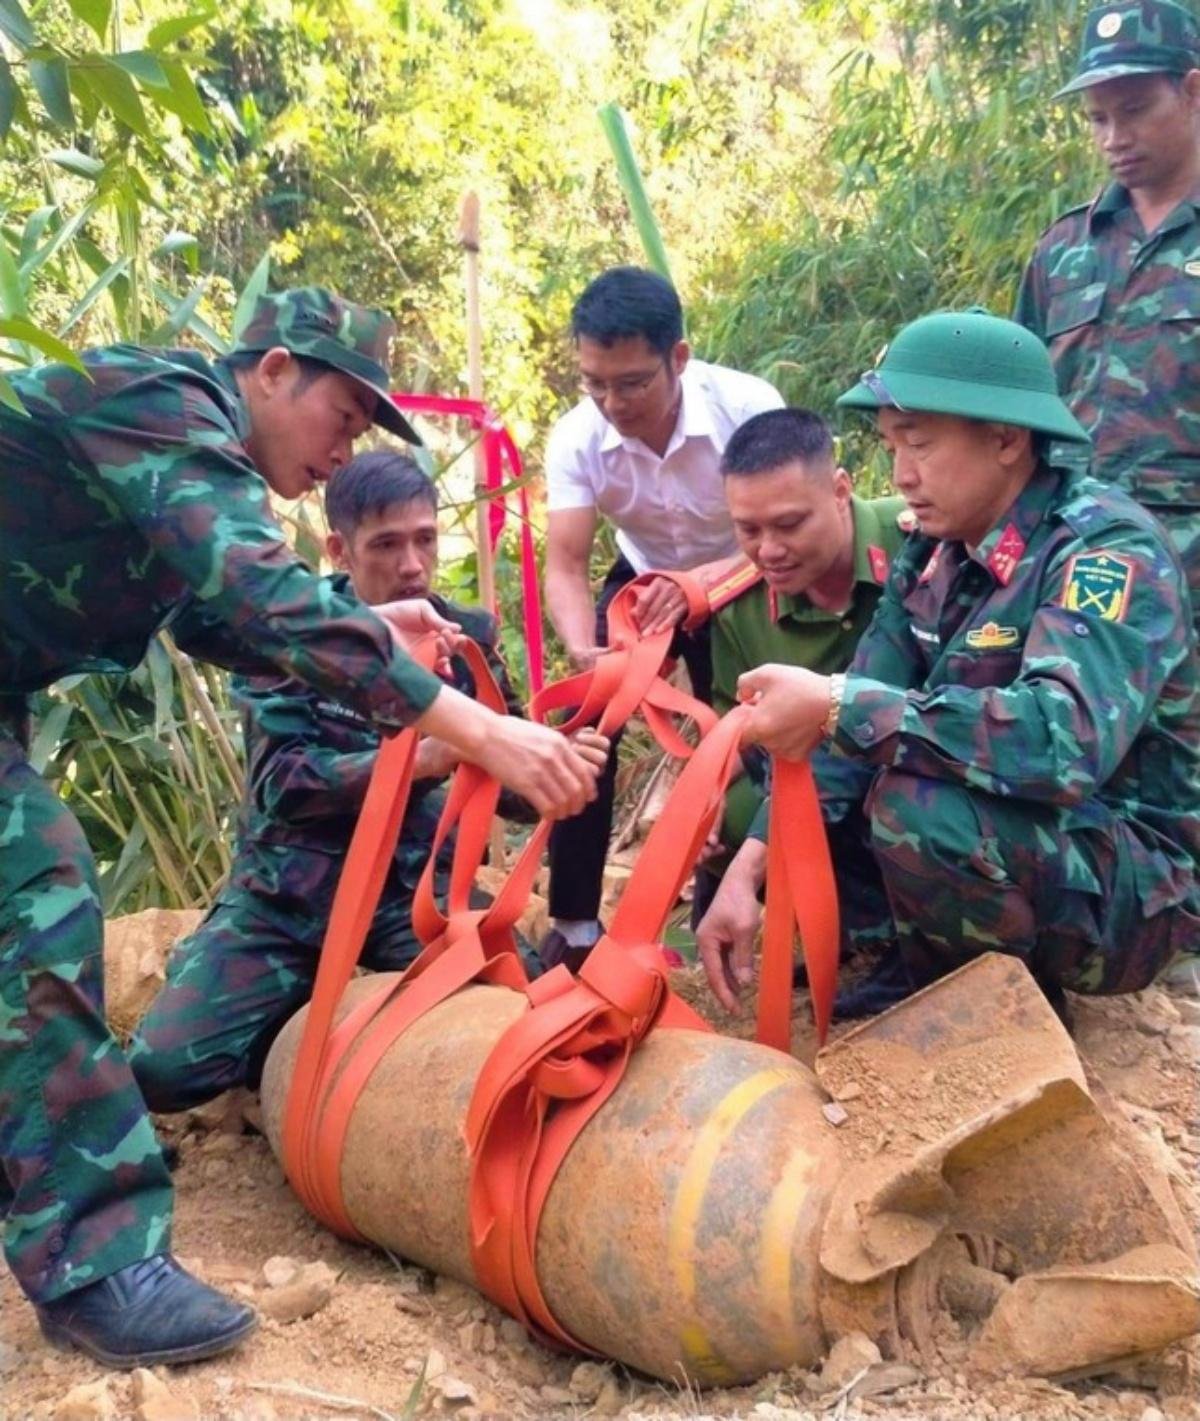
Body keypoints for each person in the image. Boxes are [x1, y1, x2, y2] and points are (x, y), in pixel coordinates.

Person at [0, 288, 600, 1368]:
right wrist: (470, 729)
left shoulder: (184, 472)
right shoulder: (165, 402)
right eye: (343, 412)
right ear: (271, 371)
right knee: (37, 881)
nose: (346, 445)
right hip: (282, 910)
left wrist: (377, 630)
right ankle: (95, 1266)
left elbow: (221, 620)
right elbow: (269, 606)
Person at [697, 310, 1200, 1024]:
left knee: (913, 805)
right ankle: (920, 958)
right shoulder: (936, 549)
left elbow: (1062, 744)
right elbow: (860, 706)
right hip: (1026, 834)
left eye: (921, 445)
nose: (901, 475)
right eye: (893, 445)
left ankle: (994, 1004)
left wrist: (841, 704)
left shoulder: (1103, 552)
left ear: (1005, 438)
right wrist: (747, 869)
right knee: (801, 803)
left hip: (1134, 880)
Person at [130, 452, 579, 1111]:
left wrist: (558, 758)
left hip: (413, 898)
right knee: (161, 1071)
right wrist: (418, 760)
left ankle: (351, 1010)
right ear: (339, 548)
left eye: (425, 538)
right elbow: (285, 785)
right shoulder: (286, 630)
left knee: (543, 1008)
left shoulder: (468, 635)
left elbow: (508, 795)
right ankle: (285, 1015)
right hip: (291, 900)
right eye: (387, 544)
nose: (412, 565)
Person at [541, 265, 783, 968]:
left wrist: (703, 584)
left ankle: (722, 898)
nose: (612, 402)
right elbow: (565, 562)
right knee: (588, 722)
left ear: (679, 358)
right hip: (645, 578)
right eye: (594, 382)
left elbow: (783, 534)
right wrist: (584, 650)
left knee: (738, 728)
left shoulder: (747, 406)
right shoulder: (577, 438)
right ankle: (576, 924)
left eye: (632, 382)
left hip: (748, 566)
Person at [1015, 0, 1200, 635]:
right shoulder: (1064, 249)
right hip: (1076, 568)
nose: (1113, 138)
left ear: (1193, 91)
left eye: (1135, 111)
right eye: (1097, 118)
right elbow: (1021, 417)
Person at [704, 407, 908, 860]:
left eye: (790, 525)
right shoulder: (738, 609)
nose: (769, 550)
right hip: (804, 779)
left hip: (915, 761)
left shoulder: (919, 541)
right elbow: (737, 732)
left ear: (840, 491)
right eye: (748, 529)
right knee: (731, 815)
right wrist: (703, 793)